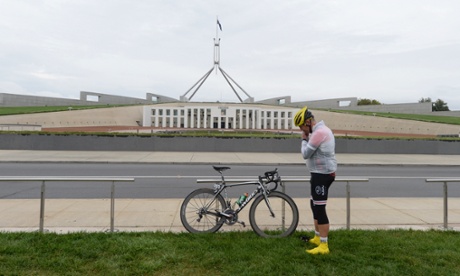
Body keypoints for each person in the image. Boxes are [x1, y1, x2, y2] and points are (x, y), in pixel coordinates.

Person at [294, 106, 337, 255]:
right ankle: (317, 238)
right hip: (318, 174)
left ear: (308, 122)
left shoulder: (319, 133)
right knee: (314, 205)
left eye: (301, 127)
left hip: (322, 175)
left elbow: (306, 154)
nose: (301, 130)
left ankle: (324, 246)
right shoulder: (319, 130)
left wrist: (304, 140)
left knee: (319, 208)